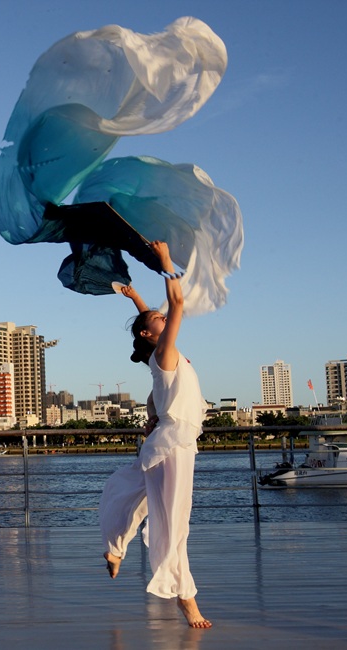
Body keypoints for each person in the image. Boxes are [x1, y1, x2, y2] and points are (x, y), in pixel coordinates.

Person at [98, 241, 212, 629]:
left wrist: (135, 298)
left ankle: (115, 549)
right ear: (150, 334)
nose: (164, 316)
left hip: (170, 442)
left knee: (139, 499)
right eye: (157, 319)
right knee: (174, 523)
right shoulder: (163, 355)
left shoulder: (161, 354)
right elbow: (176, 303)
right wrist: (164, 261)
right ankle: (186, 599)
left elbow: (154, 317)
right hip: (173, 445)